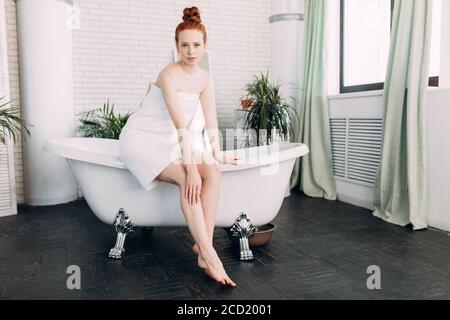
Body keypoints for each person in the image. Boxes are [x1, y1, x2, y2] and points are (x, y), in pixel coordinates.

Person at [118, 6, 238, 287]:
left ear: (205, 45)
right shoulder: (169, 75)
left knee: (213, 172)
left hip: (169, 141)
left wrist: (216, 153)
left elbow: (210, 121)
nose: (191, 51)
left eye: (196, 45)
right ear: (176, 46)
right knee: (189, 178)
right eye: (184, 45)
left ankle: (201, 244)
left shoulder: (205, 79)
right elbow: (180, 125)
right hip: (141, 139)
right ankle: (209, 254)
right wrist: (190, 168)